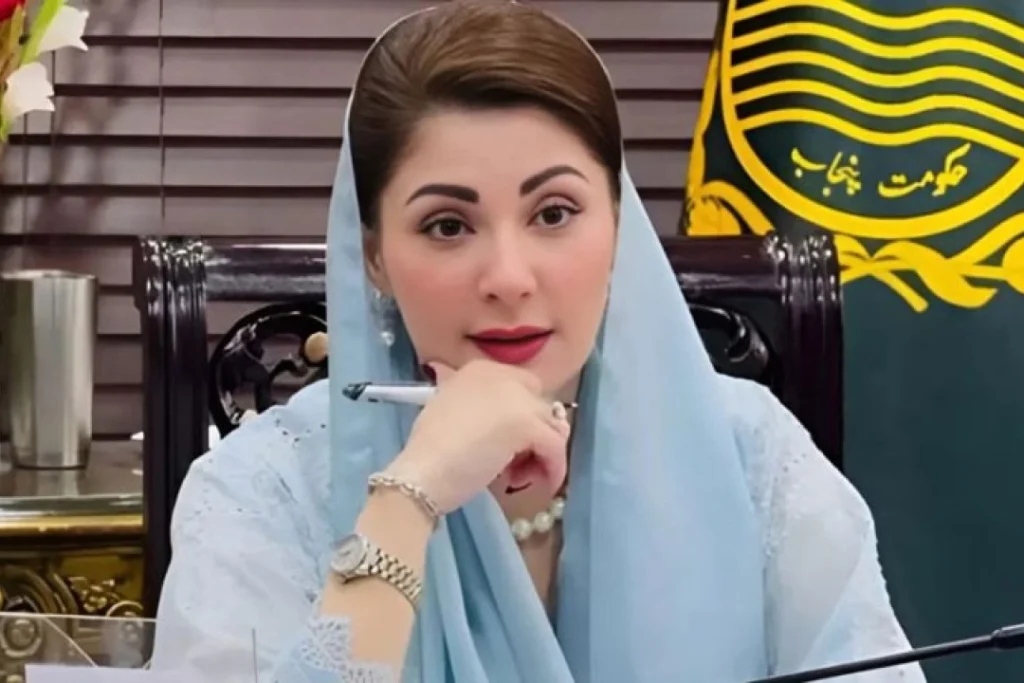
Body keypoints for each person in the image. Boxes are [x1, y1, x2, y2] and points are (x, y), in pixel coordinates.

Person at [150, 3, 925, 682]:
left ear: (617, 226)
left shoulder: (749, 456)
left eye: (554, 213)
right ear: (375, 256)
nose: (509, 277)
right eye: (447, 225)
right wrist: (410, 495)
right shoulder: (266, 489)